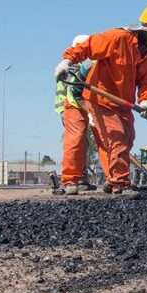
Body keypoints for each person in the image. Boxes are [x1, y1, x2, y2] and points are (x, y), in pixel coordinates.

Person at [54, 3, 147, 197]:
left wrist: (146, 101)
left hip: (122, 102)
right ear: (146, 29)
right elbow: (87, 46)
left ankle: (112, 181)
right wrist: (67, 60)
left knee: (127, 138)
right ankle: (119, 184)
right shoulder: (117, 38)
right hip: (100, 97)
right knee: (116, 137)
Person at [53, 35, 95, 195]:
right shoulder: (70, 69)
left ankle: (82, 178)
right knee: (75, 140)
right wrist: (89, 113)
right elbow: (72, 93)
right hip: (71, 108)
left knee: (83, 143)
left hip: (81, 106)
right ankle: (70, 179)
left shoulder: (84, 66)